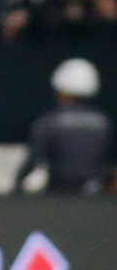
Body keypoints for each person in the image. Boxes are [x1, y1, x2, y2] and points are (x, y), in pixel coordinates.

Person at [13, 59, 113, 195]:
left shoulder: (49, 121)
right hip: (94, 198)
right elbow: (110, 165)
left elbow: (33, 160)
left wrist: (17, 184)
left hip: (59, 197)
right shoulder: (104, 123)